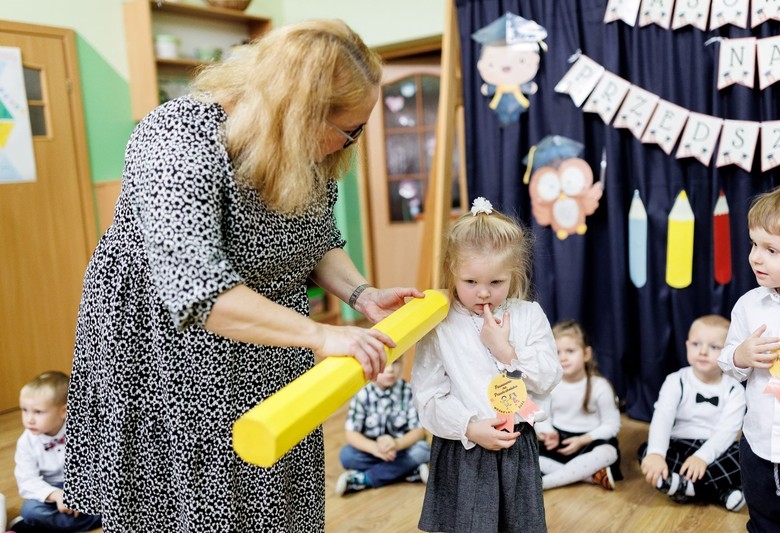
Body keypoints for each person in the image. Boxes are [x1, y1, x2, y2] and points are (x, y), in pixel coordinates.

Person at [63, 19, 423, 533]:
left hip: (271, 338)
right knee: (199, 500)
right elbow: (199, 292)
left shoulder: (304, 152)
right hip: (172, 350)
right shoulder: (178, 138)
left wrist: (362, 295)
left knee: (274, 484)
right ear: (298, 114)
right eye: (350, 130)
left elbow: (315, 239)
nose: (352, 143)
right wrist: (322, 335)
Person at [411, 197, 562, 532]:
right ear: (452, 271)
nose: (483, 293)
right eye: (471, 282)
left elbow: (549, 376)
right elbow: (428, 396)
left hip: (515, 446)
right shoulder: (439, 324)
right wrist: (468, 428)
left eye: (496, 283)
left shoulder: (528, 315)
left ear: (513, 275)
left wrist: (505, 351)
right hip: (462, 449)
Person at [718, 181, 780, 530]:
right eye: (754, 244)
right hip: (759, 446)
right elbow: (728, 364)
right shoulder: (750, 305)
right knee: (765, 523)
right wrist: (740, 355)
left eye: (771, 249)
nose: (755, 256)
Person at [639, 315, 746, 512]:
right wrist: (656, 453)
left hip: (716, 448)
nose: (703, 352)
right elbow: (662, 418)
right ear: (687, 345)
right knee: (646, 451)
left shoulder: (735, 390)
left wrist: (703, 457)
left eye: (714, 347)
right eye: (696, 344)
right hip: (681, 443)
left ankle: (684, 487)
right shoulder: (676, 380)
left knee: (744, 457)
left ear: (728, 351)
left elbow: (727, 432)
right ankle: (721, 492)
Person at [536, 320, 623, 491]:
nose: (563, 357)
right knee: (527, 453)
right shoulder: (550, 384)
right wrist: (548, 433)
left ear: (586, 354)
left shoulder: (600, 386)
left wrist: (583, 440)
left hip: (589, 442)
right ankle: (591, 476)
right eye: (557, 352)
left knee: (608, 452)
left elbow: (612, 425)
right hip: (560, 442)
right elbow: (542, 416)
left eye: (570, 351)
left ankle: (545, 483)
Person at [11, 371, 101, 533]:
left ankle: (48, 526)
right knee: (30, 510)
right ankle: (98, 518)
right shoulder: (26, 442)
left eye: (38, 412)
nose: (29, 419)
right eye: (24, 410)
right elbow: (27, 481)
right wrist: (57, 494)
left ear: (64, 411)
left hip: (86, 485)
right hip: (51, 490)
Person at [335, 356, 431, 495]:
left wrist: (396, 444)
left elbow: (419, 431)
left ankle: (363, 479)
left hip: (401, 449)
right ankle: (408, 471)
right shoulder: (361, 394)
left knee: (423, 450)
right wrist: (374, 448)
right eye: (383, 364)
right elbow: (351, 434)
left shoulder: (408, 391)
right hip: (373, 452)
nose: (390, 369)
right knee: (347, 455)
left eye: (395, 362)